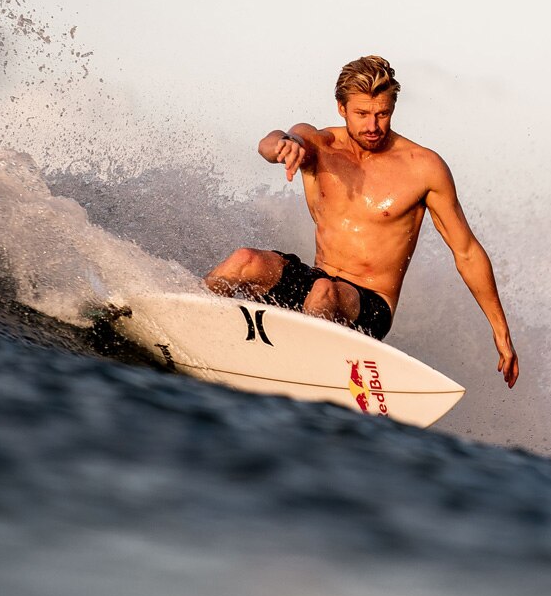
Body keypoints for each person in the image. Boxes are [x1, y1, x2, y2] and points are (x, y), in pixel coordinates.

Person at [205, 56, 519, 388]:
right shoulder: (320, 145)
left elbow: (466, 252)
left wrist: (501, 332)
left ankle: (306, 379)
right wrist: (281, 146)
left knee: (324, 292)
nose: (372, 126)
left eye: (382, 114)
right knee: (245, 261)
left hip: (369, 304)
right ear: (341, 108)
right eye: (362, 114)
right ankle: (192, 326)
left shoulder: (423, 168)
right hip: (319, 282)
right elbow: (272, 142)